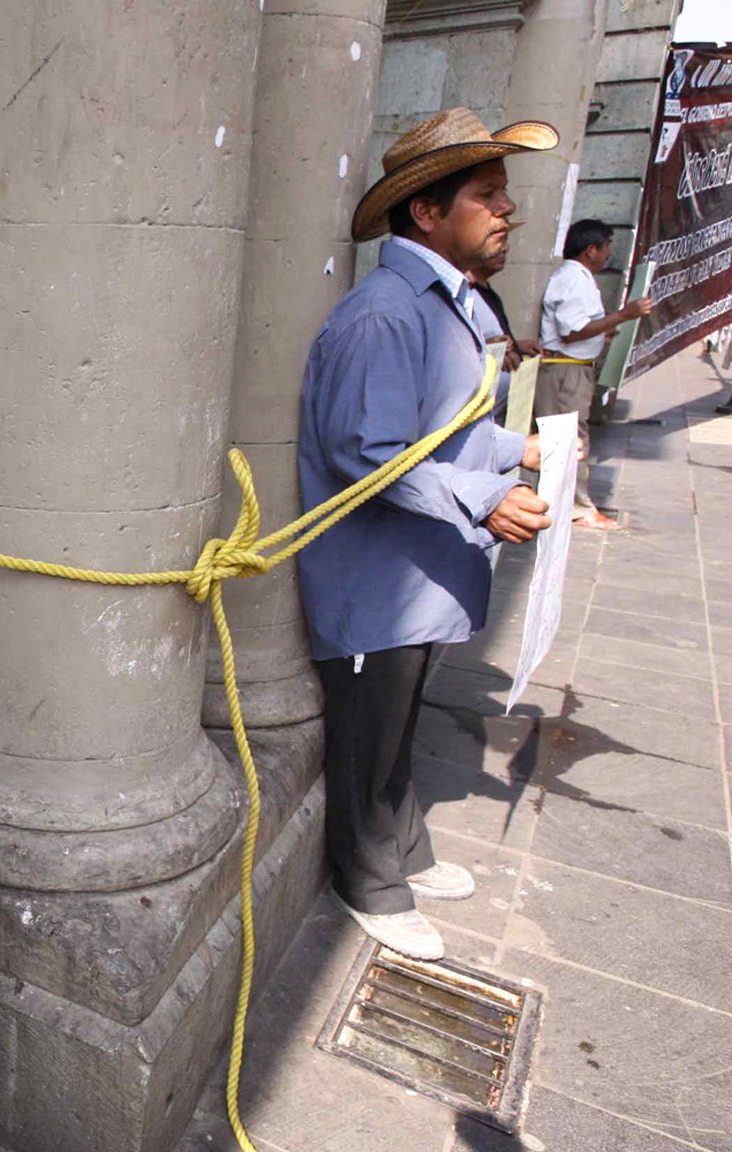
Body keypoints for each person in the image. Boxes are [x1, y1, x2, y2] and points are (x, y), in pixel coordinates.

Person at [299, 107, 558, 961]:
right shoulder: (384, 313)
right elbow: (362, 454)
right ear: (426, 212)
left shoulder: (452, 308)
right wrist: (483, 501)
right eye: (486, 196)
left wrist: (513, 449)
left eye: (502, 197)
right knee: (370, 734)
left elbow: (443, 434)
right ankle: (367, 882)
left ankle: (403, 849)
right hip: (374, 576)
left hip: (417, 568)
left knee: (399, 724)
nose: (504, 212)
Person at [538, 218, 653, 531]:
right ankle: (575, 507)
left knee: (571, 437)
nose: (609, 254)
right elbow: (571, 330)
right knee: (570, 440)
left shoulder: (579, 278)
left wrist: (603, 334)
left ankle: (567, 503)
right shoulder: (573, 279)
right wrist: (624, 314)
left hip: (572, 370)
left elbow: (578, 327)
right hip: (565, 373)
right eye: (606, 247)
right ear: (591, 250)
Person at [470, 243, 542, 372]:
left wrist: (516, 346)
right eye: (495, 240)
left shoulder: (486, 292)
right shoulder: (463, 295)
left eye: (505, 240)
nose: (504, 248)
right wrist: (485, 348)